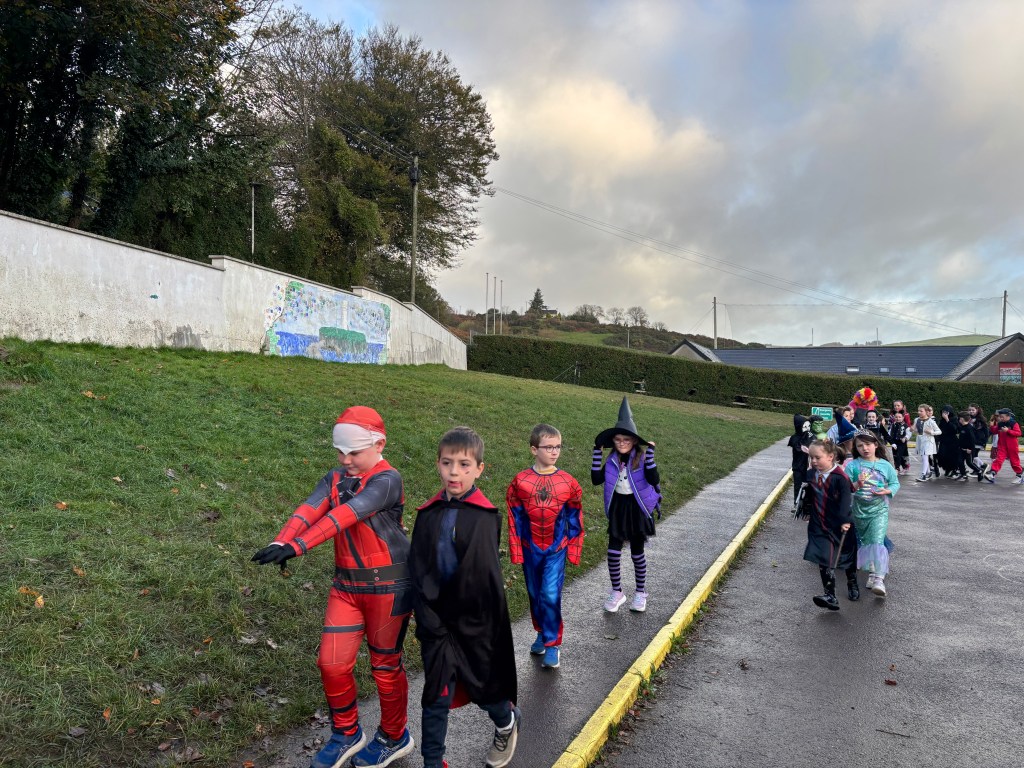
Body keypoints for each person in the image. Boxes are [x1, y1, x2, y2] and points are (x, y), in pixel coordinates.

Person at [251, 406, 415, 768]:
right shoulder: (336, 476)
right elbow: (309, 508)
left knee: (385, 666)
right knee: (331, 664)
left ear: (379, 445)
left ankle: (395, 736)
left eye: (353, 452)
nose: (345, 460)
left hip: (390, 588)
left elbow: (347, 514)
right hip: (347, 586)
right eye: (340, 451)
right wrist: (281, 541)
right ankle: (346, 733)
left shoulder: (388, 479)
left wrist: (297, 546)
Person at [409, 427, 519, 768]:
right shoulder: (428, 513)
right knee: (436, 696)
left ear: (479, 469)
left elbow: (481, 576)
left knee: (483, 688)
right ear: (438, 464)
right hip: (436, 623)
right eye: (447, 463)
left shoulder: (483, 517)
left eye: (464, 464)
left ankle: (506, 722)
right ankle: (432, 762)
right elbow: (418, 567)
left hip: (475, 622)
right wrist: (426, 613)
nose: (454, 472)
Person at [506, 424, 585, 670]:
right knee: (534, 592)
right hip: (530, 548)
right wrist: (516, 549)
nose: (554, 451)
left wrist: (574, 548)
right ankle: (541, 631)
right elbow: (514, 517)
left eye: (558, 447)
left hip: (556, 549)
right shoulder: (520, 481)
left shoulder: (568, 482)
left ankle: (552, 644)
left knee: (550, 594)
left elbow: (575, 517)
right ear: (534, 449)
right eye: (548, 447)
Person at [592, 397, 661, 614]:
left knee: (636, 553)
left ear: (634, 441)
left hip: (637, 509)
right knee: (613, 551)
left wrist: (650, 456)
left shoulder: (641, 458)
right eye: (618, 440)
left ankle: (640, 593)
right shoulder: (612, 460)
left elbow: (653, 478)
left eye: (626, 440)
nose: (622, 443)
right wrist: (597, 454)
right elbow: (596, 479)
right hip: (619, 509)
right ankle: (617, 592)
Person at [802, 440, 857, 610]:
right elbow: (809, 493)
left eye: (817, 457)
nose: (813, 461)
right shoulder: (812, 474)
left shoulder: (840, 478)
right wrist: (806, 509)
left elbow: (846, 499)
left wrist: (845, 520)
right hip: (819, 524)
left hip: (839, 524)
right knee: (823, 557)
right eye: (811, 457)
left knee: (846, 556)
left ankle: (852, 581)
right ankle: (830, 595)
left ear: (831, 457)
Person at [845, 431, 900, 597]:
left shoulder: (885, 465)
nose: (865, 448)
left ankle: (879, 579)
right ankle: (872, 572)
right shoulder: (852, 465)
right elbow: (845, 487)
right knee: (866, 542)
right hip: (859, 511)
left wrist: (887, 491)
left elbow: (895, 483)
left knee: (877, 540)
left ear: (875, 445)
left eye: (868, 444)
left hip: (879, 510)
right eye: (860, 446)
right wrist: (857, 483)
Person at [987, 408, 1023, 484]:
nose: (1000, 418)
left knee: (1014, 461)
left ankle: (1019, 475)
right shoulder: (1000, 424)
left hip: (1012, 446)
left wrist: (1008, 431)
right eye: (1000, 417)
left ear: (1008, 416)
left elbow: (1018, 433)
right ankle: (992, 473)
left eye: (1002, 417)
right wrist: (992, 426)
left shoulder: (1013, 423)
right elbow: (995, 431)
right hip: (1002, 446)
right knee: (998, 459)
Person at [787, 415, 814, 511]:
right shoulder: (794, 438)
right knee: (798, 485)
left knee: (809, 485)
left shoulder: (810, 436)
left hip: (809, 466)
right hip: (798, 466)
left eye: (808, 426)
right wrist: (806, 438)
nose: (807, 429)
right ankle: (796, 504)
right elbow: (799, 447)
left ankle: (807, 504)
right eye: (805, 427)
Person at [913, 404, 941, 482]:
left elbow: (939, 431)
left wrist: (931, 432)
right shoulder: (917, 420)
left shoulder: (931, 421)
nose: (919, 412)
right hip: (920, 440)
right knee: (923, 458)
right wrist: (913, 430)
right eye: (918, 411)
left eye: (921, 411)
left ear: (926, 412)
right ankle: (928, 472)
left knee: (925, 457)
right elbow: (915, 429)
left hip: (928, 441)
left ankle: (923, 475)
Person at [956, 411, 984, 481]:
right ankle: (963, 475)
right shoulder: (962, 427)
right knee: (959, 461)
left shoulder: (969, 428)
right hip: (961, 449)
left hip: (968, 450)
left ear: (962, 419)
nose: (958, 419)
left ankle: (979, 471)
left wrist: (970, 449)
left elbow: (972, 440)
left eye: (959, 418)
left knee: (969, 463)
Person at [936, 404, 961, 478]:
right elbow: (940, 430)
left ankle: (952, 470)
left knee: (951, 457)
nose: (944, 414)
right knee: (942, 455)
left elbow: (955, 430)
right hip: (943, 441)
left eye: (946, 412)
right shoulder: (941, 420)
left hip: (952, 441)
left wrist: (947, 420)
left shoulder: (954, 419)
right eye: (943, 412)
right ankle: (946, 469)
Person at [967, 404, 990, 481]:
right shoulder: (969, 418)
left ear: (977, 410)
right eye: (970, 410)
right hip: (972, 440)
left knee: (973, 455)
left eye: (973, 410)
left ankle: (981, 467)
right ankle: (979, 468)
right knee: (974, 455)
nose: (971, 411)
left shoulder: (981, 419)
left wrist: (985, 441)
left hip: (979, 440)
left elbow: (986, 430)